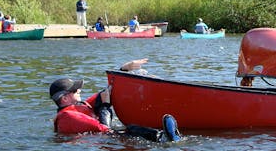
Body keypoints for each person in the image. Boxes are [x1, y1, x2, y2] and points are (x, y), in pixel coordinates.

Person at [49, 59, 180, 142]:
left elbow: (108, 91)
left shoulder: (82, 105)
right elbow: (104, 129)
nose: (79, 90)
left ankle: (168, 135)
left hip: (105, 136)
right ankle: (164, 139)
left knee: (129, 128)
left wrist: (123, 70)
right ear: (65, 98)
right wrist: (105, 106)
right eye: (75, 90)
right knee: (131, 129)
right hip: (105, 140)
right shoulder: (67, 116)